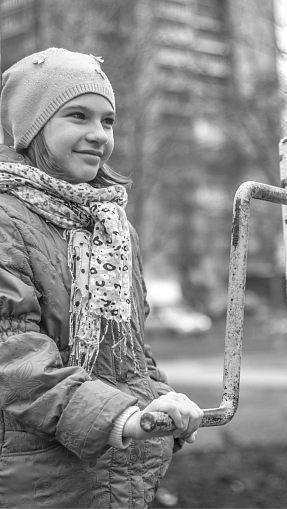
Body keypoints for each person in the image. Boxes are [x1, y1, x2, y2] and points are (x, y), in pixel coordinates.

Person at [0, 47, 203, 508]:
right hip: (36, 483)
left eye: (107, 121)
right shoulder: (5, 218)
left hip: (118, 477)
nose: (98, 135)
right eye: (78, 116)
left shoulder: (110, 226)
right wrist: (123, 418)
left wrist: (160, 404)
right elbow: (13, 360)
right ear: (32, 126)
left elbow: (129, 350)